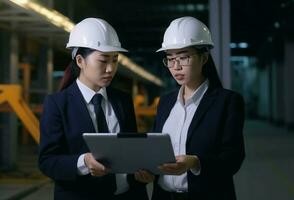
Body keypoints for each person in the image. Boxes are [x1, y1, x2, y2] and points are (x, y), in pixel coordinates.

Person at [38, 18, 148, 200]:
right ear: (80, 60)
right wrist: (84, 162)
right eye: (103, 61)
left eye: (115, 60)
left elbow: (131, 151)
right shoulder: (57, 104)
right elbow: (47, 161)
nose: (111, 68)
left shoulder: (123, 101)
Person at [151, 16, 245, 200]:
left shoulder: (227, 102)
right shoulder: (165, 102)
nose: (176, 66)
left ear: (204, 57)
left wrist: (195, 162)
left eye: (183, 57)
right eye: (170, 59)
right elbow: (155, 149)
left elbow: (233, 158)